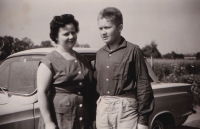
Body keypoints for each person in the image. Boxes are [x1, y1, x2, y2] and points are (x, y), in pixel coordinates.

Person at [94, 7, 155, 129]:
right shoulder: (99, 53)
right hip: (103, 108)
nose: (103, 32)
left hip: (126, 109)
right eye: (100, 28)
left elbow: (143, 85)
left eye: (107, 27)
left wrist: (143, 120)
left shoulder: (133, 50)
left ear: (120, 27)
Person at [37, 14, 94, 129]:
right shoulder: (48, 62)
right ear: (56, 36)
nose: (71, 36)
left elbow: (90, 91)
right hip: (60, 119)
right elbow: (41, 93)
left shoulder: (83, 60)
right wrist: (48, 122)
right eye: (66, 34)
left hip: (82, 117)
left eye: (73, 32)